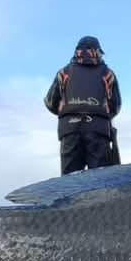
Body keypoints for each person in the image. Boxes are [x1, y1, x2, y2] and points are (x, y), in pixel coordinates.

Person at [44, 35, 122, 173]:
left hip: (69, 130)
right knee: (101, 179)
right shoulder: (107, 74)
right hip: (98, 130)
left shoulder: (63, 73)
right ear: (97, 51)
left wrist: (69, 112)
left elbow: (50, 102)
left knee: (70, 181)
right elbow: (115, 105)